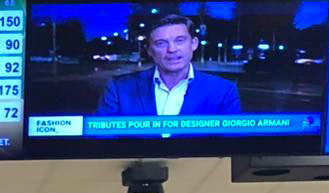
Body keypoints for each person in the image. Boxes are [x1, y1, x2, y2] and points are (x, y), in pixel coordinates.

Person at [97, 14, 242, 117]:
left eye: (180, 40)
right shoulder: (119, 88)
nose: (172, 49)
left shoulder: (224, 91)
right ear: (149, 50)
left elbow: (233, 144)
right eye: (161, 43)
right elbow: (103, 141)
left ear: (194, 44)